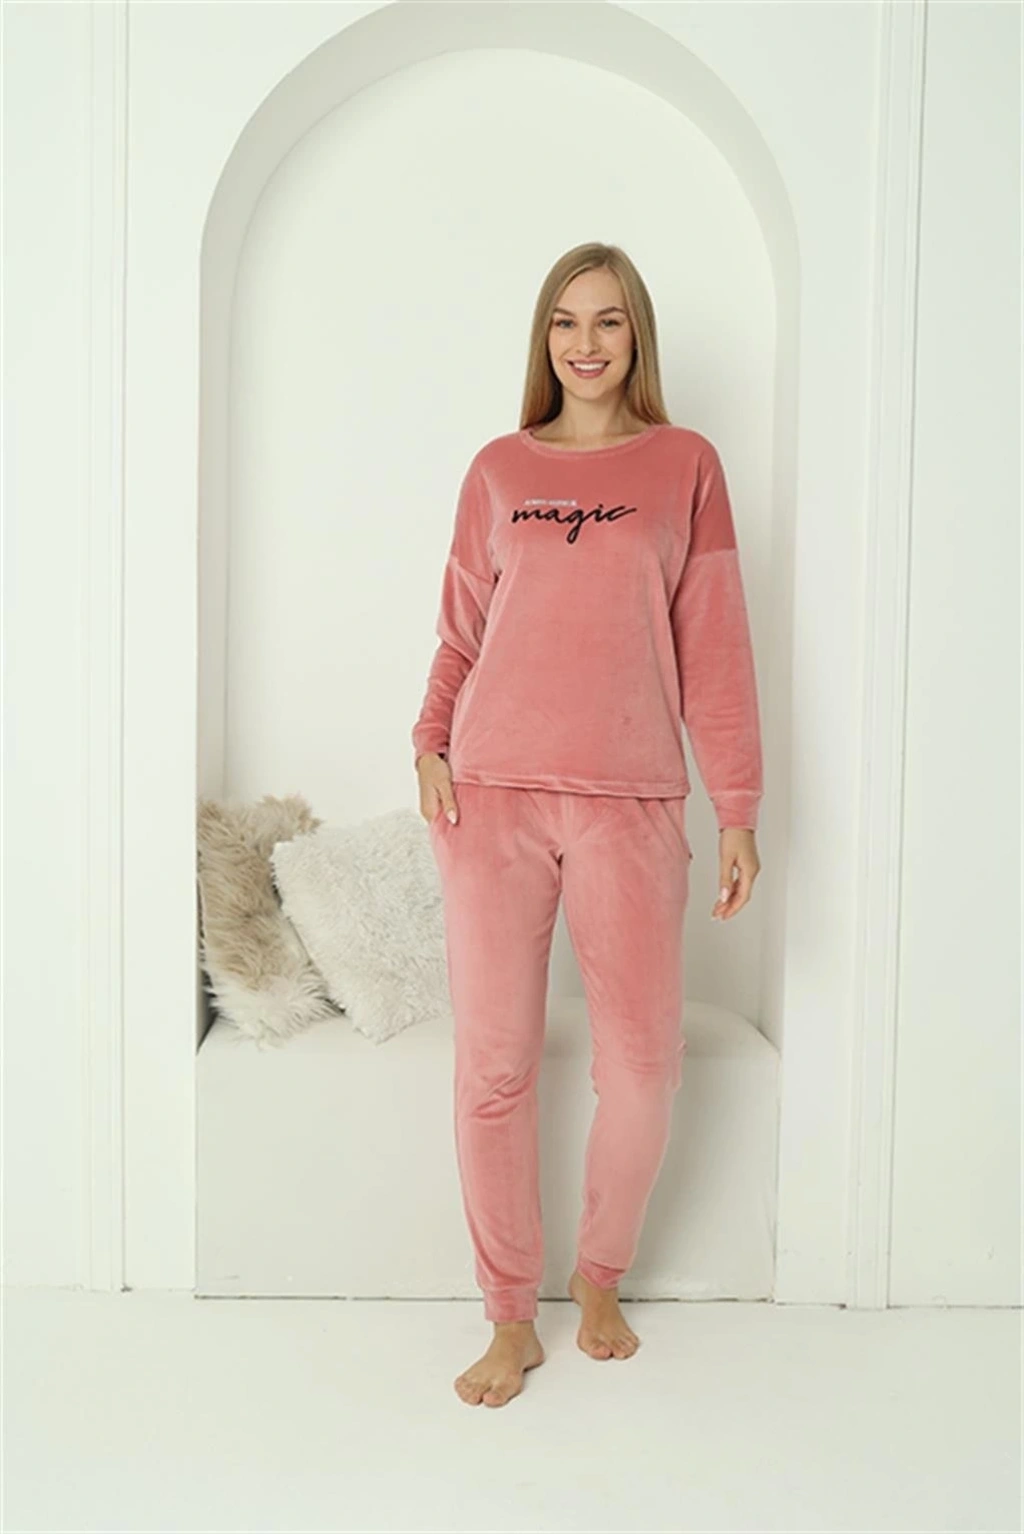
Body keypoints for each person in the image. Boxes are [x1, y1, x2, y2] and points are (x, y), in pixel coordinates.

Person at [412, 242, 764, 1408]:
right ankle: (509, 1315)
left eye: (608, 321)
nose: (586, 343)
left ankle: (598, 1275)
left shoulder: (685, 465)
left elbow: (716, 643)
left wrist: (736, 806)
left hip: (632, 801)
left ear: (636, 335)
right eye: (566, 321)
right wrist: (428, 739)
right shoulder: (498, 469)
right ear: (544, 338)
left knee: (644, 1068)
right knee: (494, 1068)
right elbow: (461, 626)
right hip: (492, 794)